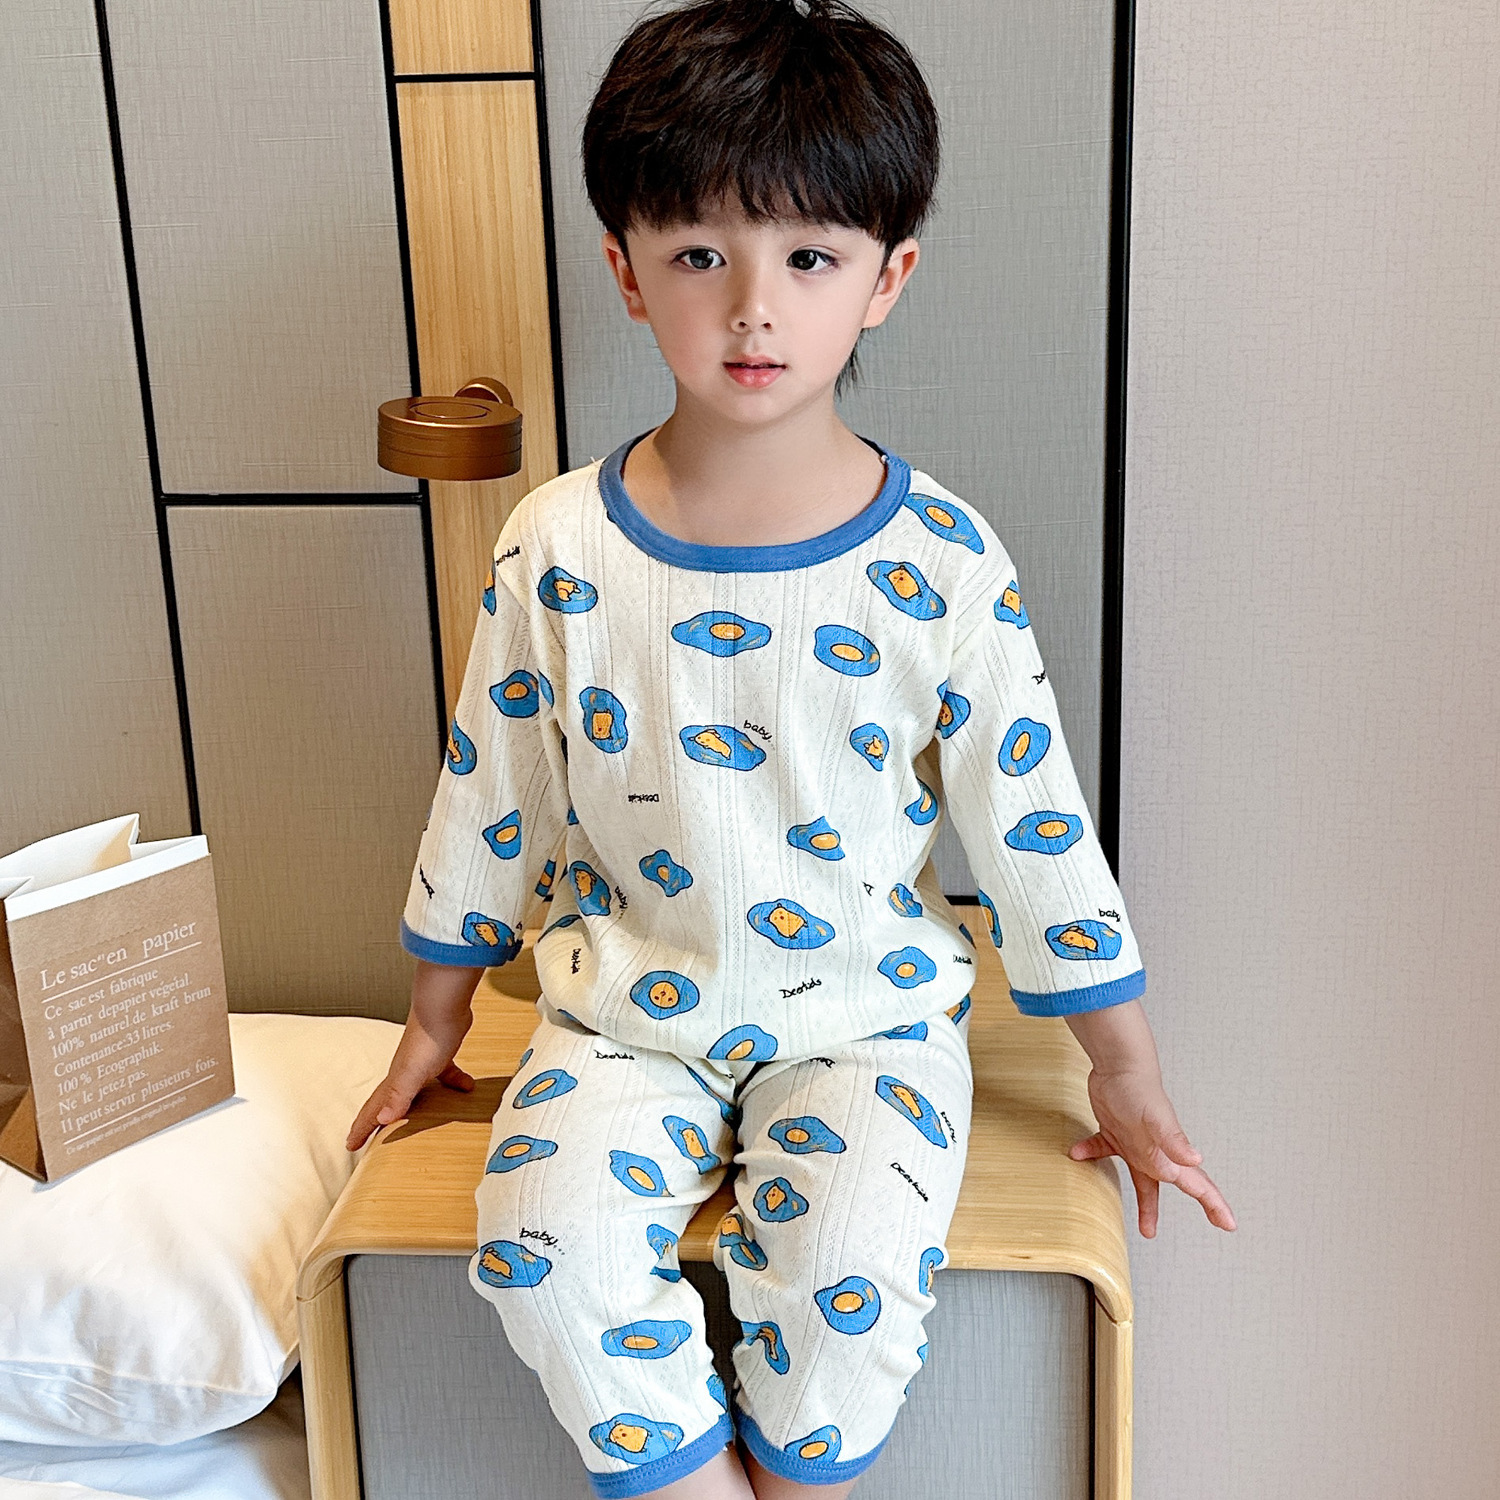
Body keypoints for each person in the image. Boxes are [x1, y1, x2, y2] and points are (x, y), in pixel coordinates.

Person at [347, 2, 1236, 1495]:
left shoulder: (943, 563)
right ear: (626, 270)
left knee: (848, 1295)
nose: (753, 308)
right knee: (541, 1245)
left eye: (809, 258)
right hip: (623, 1016)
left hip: (870, 1022)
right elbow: (491, 793)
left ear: (888, 279)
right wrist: (434, 1021)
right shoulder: (556, 548)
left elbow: (1034, 828)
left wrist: (1127, 1073)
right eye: (701, 255)